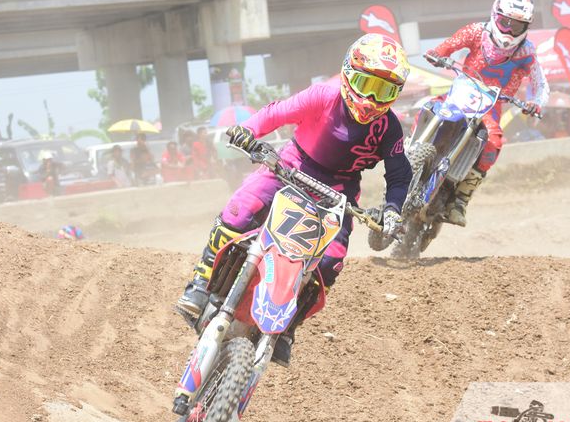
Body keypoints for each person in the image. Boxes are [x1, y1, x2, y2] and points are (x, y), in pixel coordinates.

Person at [176, 33, 412, 366]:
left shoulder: (389, 128)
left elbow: (400, 173)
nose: (372, 99)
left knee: (330, 263)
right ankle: (200, 283)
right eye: (366, 85)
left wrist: (392, 210)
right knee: (240, 209)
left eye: (384, 91)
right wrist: (249, 130)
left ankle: (286, 328)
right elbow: (278, 112)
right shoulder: (323, 95)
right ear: (348, 74)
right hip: (290, 165)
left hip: (339, 191)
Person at [425, 0, 548, 226]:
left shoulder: (527, 51)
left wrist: (536, 103)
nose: (509, 31)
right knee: (430, 108)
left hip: (491, 106)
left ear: (526, 27)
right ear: (495, 16)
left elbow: (540, 83)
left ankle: (460, 200)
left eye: (517, 26)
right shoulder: (476, 31)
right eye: (505, 22)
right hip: (462, 91)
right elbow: (449, 45)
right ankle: (409, 155)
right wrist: (436, 53)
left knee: (493, 143)